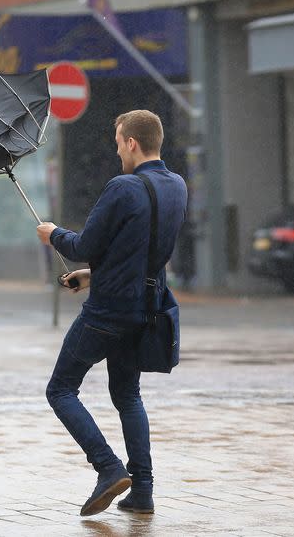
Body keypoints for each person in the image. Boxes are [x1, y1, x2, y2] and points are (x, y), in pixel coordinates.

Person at [36, 110, 188, 516]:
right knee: (127, 394)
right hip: (147, 308)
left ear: (132, 143)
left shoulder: (123, 187)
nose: (117, 149)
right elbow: (143, 249)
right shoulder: (177, 186)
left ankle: (107, 468)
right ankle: (142, 491)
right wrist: (92, 275)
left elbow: (84, 243)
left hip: (108, 312)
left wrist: (53, 235)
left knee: (61, 389)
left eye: (119, 141)